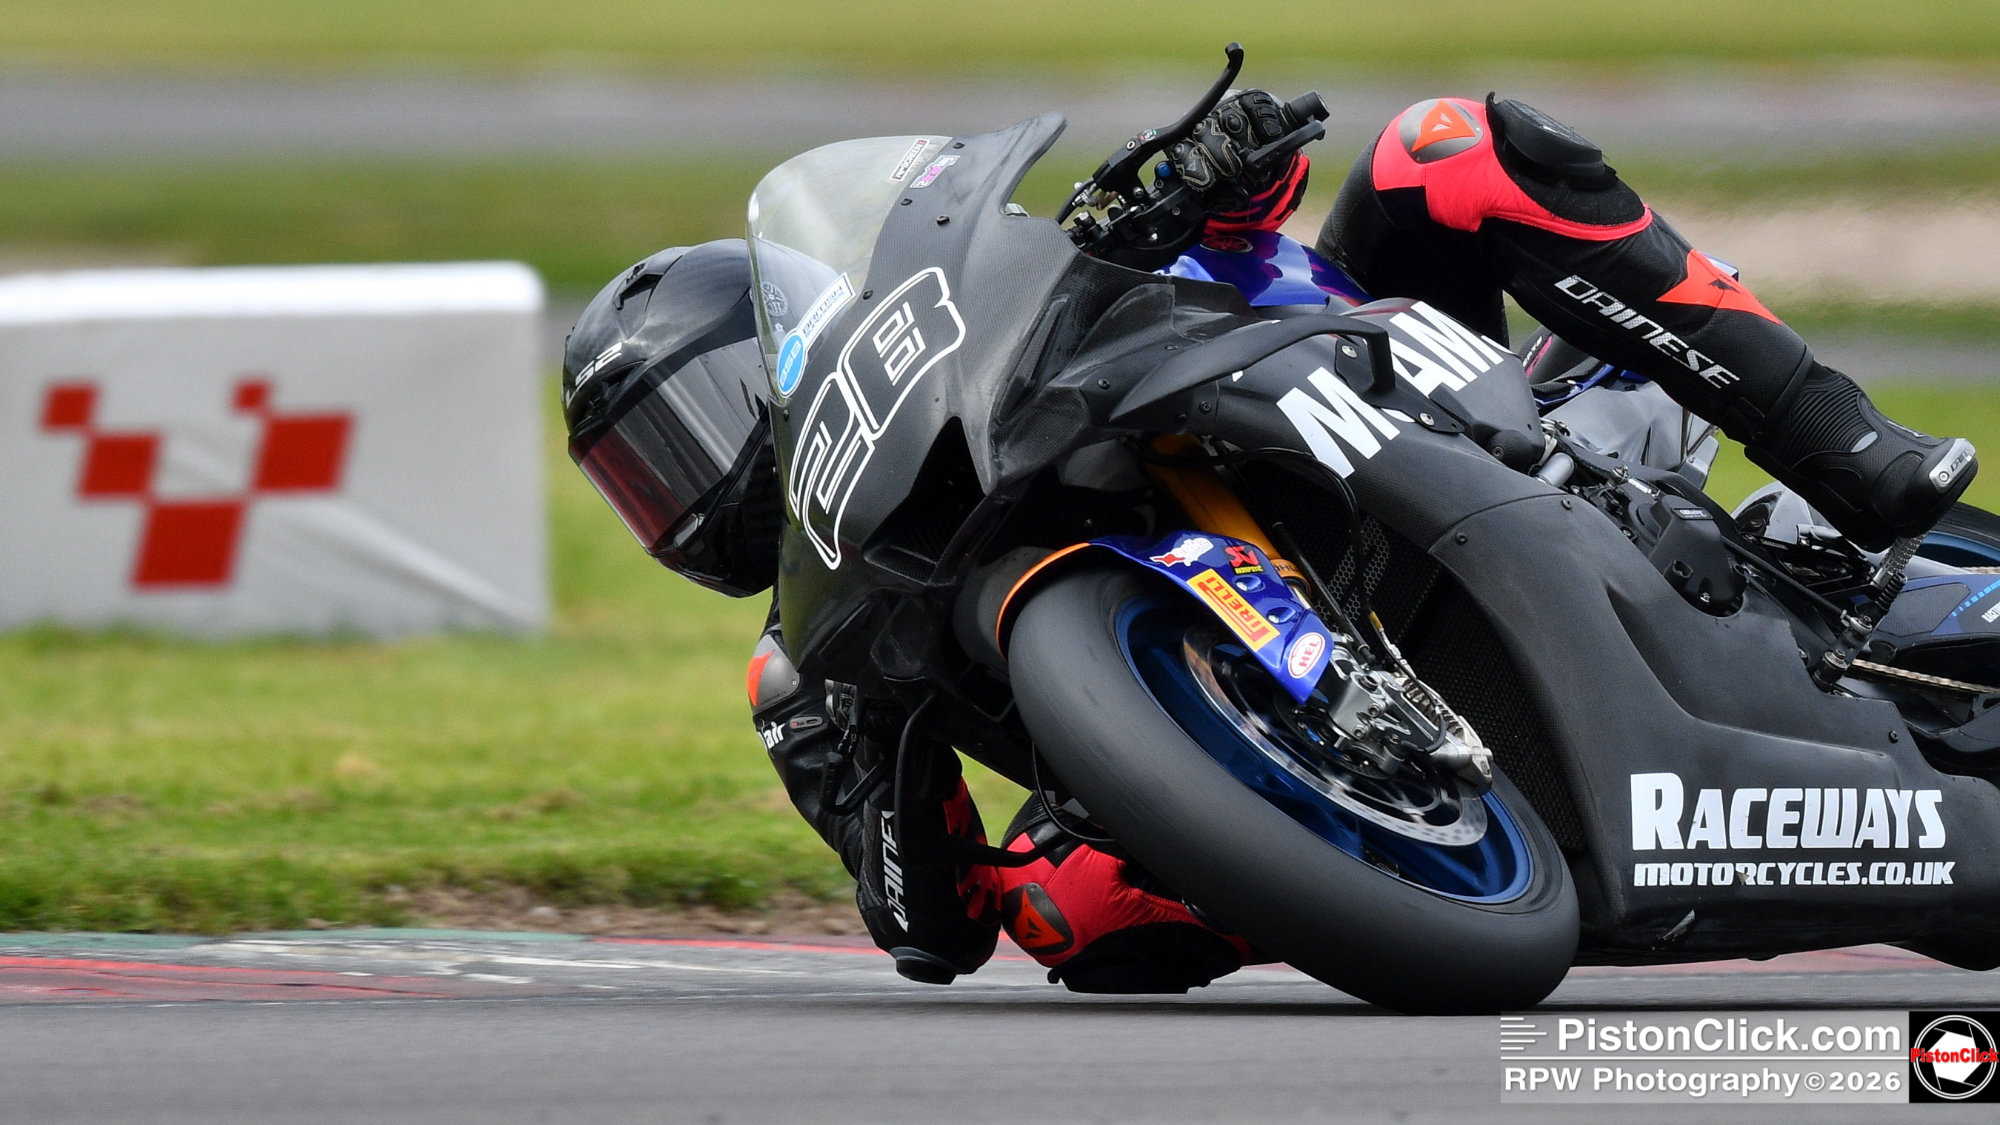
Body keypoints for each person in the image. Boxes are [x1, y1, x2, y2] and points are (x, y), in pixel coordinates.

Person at [581, 91, 1981, 994]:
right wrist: (899, 779)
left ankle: (1854, 456)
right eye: (645, 480)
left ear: (789, 355)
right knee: (1078, 913)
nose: (689, 492)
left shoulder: (996, 334)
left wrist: (1205, 168)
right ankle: (1395, 833)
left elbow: (1250, 210)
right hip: (1264, 760)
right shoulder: (805, 683)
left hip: (1424, 417)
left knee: (1444, 148)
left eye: (690, 427)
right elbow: (928, 923)